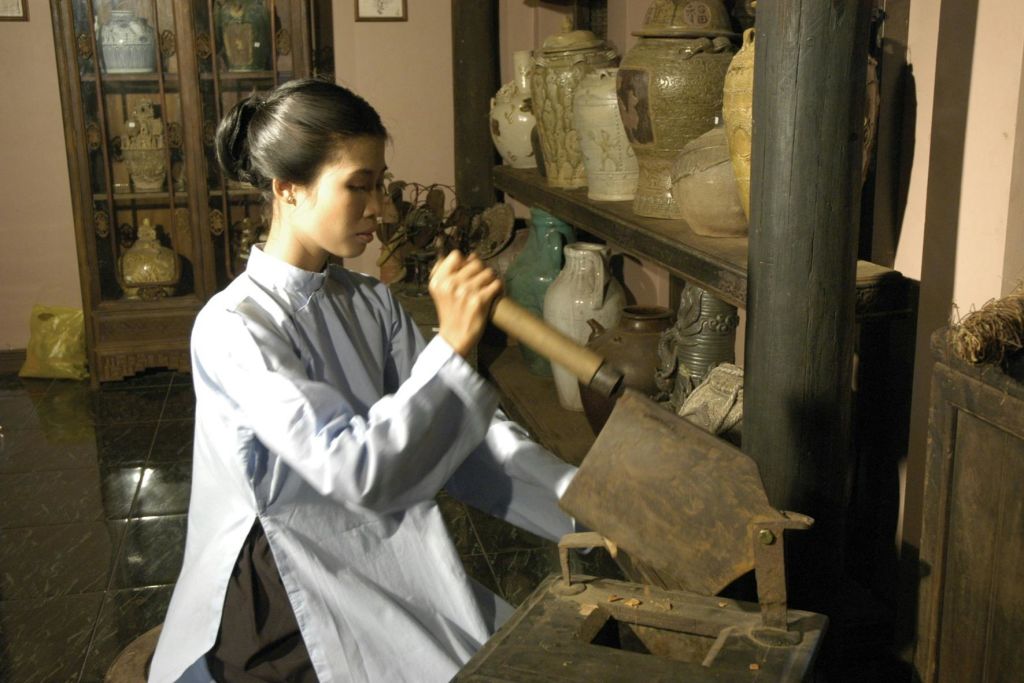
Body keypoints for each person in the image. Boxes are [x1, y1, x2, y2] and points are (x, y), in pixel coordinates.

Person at [149, 79, 578, 683]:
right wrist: (454, 346)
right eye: (358, 186)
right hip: (283, 588)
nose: (381, 207)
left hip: (377, 547)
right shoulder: (232, 327)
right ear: (288, 188)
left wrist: (587, 508)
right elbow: (351, 468)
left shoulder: (369, 302)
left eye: (380, 183)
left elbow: (464, 437)